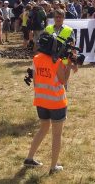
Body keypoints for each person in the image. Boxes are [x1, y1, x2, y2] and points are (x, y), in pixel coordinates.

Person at [24, 24, 73, 175]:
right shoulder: (56, 61)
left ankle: (30, 158)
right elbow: (63, 80)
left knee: (43, 128)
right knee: (56, 134)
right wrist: (69, 65)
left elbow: (36, 77)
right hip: (56, 101)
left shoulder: (37, 58)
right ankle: (53, 167)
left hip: (41, 100)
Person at [44, 9, 77, 89]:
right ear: (54, 18)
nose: (58, 19)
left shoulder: (69, 30)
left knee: (63, 83)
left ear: (64, 18)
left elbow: (73, 47)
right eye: (56, 17)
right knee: (51, 81)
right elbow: (43, 45)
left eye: (60, 17)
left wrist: (75, 63)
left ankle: (63, 91)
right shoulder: (48, 29)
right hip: (50, 58)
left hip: (64, 60)